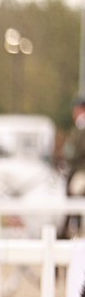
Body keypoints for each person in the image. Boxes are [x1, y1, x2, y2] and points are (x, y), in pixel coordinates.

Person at [59, 95, 85, 240]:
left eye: (76, 109)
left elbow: (79, 149)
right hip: (75, 167)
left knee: (76, 187)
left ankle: (76, 224)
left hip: (82, 169)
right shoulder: (79, 126)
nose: (74, 112)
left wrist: (68, 156)